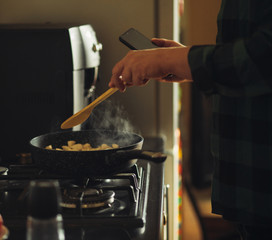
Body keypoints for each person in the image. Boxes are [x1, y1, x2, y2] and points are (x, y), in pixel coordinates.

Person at [109, 0, 272, 239]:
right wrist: (184, 62)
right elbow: (248, 61)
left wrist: (171, 60)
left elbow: (262, 58)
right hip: (253, 191)